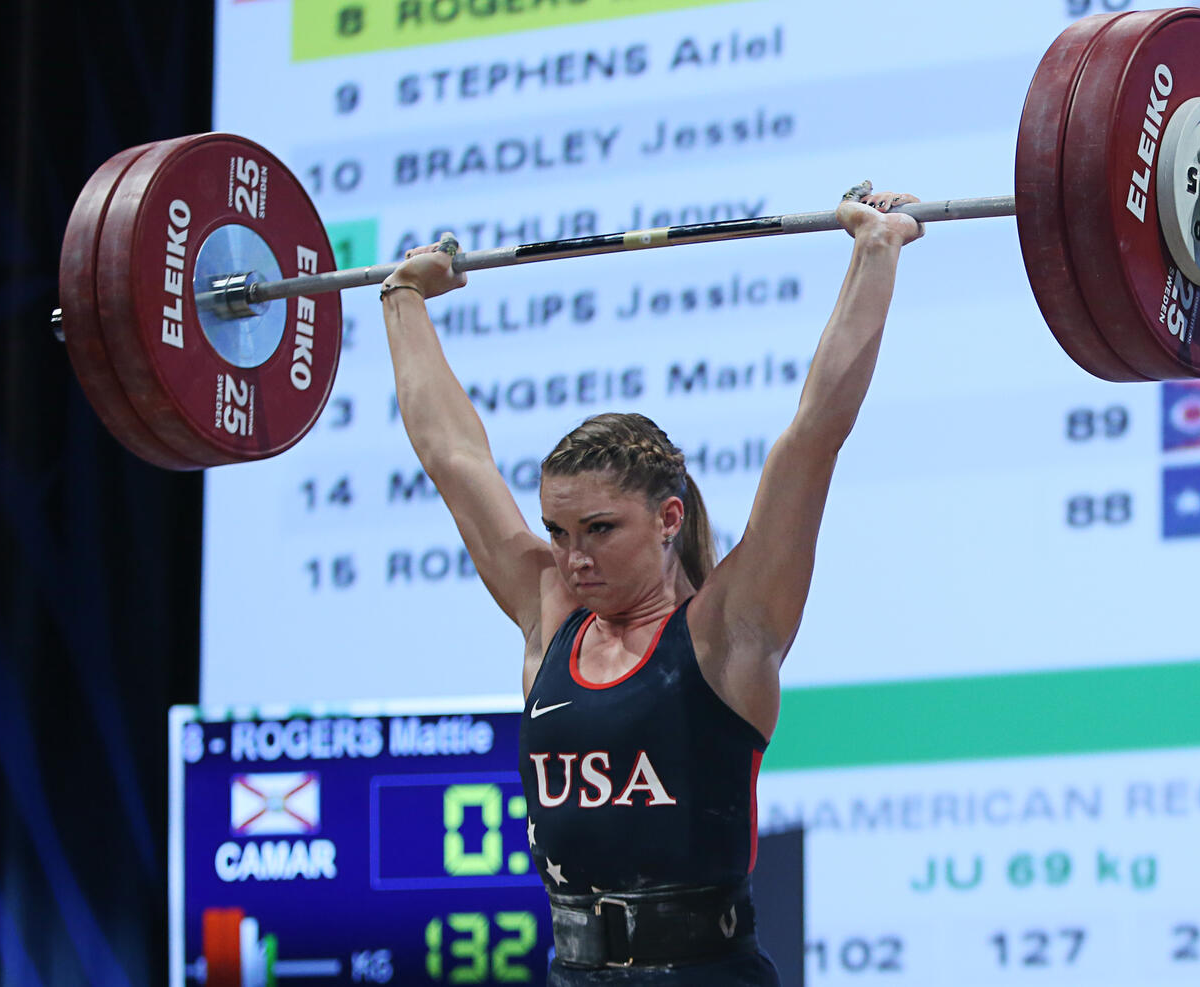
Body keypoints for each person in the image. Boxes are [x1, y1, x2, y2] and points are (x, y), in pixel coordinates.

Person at [380, 185, 924, 984]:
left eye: (600, 530)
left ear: (668, 517)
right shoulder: (550, 620)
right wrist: (403, 300)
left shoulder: (727, 631)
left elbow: (814, 433)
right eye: (559, 532)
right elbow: (452, 456)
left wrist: (875, 249)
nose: (572, 559)